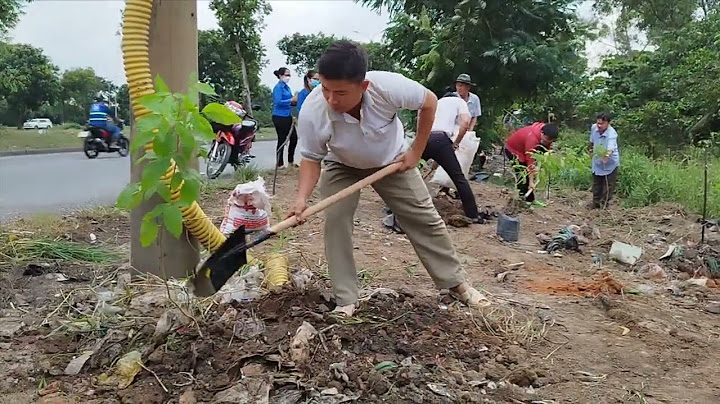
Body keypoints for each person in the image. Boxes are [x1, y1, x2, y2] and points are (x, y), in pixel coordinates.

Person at [291, 40, 488, 317]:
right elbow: (311, 159)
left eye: (341, 93)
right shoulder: (313, 110)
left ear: (363, 87)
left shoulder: (388, 86)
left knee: (423, 217)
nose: (332, 100)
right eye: (325, 89)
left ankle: (456, 284)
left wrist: (415, 151)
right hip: (342, 165)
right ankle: (346, 298)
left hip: (392, 162)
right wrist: (301, 199)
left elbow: (429, 102)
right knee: (336, 220)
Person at [423, 92, 481, 221]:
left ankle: (392, 206)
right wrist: (456, 143)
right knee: (459, 178)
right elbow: (465, 123)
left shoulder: (436, 102)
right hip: (442, 140)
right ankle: (473, 214)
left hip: (425, 137)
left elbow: (421, 118)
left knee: (408, 170)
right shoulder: (460, 102)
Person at [503, 122, 559, 203]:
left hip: (525, 148)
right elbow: (530, 163)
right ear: (542, 133)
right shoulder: (532, 140)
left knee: (531, 173)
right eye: (546, 139)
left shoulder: (546, 132)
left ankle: (529, 199)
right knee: (522, 175)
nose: (548, 141)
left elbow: (545, 150)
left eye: (550, 141)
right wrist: (531, 182)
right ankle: (523, 199)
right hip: (513, 150)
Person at [588, 112, 619, 209]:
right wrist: (591, 151)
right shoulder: (594, 128)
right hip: (597, 159)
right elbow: (591, 142)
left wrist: (605, 157)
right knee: (597, 183)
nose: (599, 126)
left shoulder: (612, 134)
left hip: (610, 162)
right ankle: (595, 203)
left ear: (608, 123)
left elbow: (610, 149)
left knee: (608, 185)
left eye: (602, 124)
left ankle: (604, 204)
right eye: (598, 123)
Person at [272, 67, 298, 168]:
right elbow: (278, 102)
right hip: (279, 116)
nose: (288, 77)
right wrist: (290, 100)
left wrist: (294, 101)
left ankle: (290, 162)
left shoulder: (287, 87)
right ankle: (279, 164)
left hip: (287, 115)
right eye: (286, 75)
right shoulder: (278, 88)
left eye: (289, 75)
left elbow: (291, 101)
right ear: (280, 75)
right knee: (282, 139)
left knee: (294, 138)